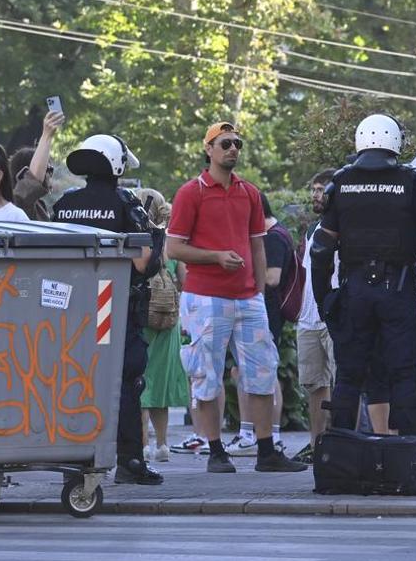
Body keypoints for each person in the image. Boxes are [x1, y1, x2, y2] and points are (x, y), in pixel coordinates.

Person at [310, 113, 416, 455]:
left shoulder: (341, 183)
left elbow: (321, 248)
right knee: (404, 372)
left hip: (354, 290)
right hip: (398, 289)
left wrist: (325, 299)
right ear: (396, 143)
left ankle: (340, 455)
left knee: (349, 375)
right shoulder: (409, 182)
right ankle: (409, 455)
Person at [166, 122, 305, 474]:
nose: (232, 149)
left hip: (248, 299)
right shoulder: (190, 192)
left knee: (261, 371)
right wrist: (216, 256)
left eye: (237, 144)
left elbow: (258, 243)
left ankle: (265, 451)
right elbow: (173, 247)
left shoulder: (250, 193)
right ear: (208, 149)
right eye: (225, 143)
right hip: (204, 297)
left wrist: (258, 291)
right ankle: (215, 451)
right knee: (205, 375)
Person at [53, 133, 163, 485]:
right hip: (115, 312)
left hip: (70, 313)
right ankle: (129, 462)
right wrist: (157, 237)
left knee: (75, 383)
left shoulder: (66, 203)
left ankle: (75, 461)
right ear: (115, 164)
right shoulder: (125, 203)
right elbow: (145, 263)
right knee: (127, 384)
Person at [135, 189, 188, 465]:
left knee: (141, 381)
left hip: (143, 319)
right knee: (161, 386)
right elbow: (184, 280)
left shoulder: (138, 240)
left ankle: (142, 444)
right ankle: (163, 444)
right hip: (168, 321)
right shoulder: (171, 241)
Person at [293, 170, 338, 461]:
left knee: (342, 382)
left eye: (321, 189)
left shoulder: (346, 226)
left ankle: (341, 442)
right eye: (314, 189)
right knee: (314, 385)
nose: (316, 195)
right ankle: (316, 443)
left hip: (334, 314)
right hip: (308, 316)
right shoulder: (312, 230)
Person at [8, 108, 64, 220]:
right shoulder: (20, 201)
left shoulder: (38, 204)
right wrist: (47, 135)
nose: (50, 175)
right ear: (25, 172)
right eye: (48, 169)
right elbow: (33, 180)